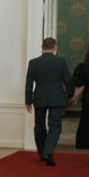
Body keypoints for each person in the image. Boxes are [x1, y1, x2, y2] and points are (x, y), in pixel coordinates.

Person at [25, 36, 72, 166]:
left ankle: (42, 154)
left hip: (39, 97)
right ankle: (48, 151)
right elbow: (68, 80)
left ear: (42, 47)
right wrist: (72, 95)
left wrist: (28, 101)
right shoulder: (61, 62)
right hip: (57, 97)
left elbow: (29, 84)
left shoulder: (33, 63)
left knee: (39, 126)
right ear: (55, 47)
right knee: (55, 126)